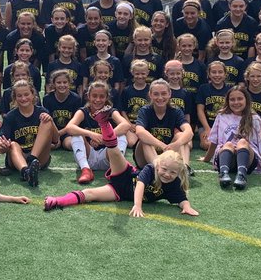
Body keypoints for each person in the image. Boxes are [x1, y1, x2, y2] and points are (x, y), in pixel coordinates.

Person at [44, 110, 198, 219]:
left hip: (120, 191)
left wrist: (187, 207)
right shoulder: (151, 169)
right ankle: (104, 123)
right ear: (158, 165)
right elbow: (140, 185)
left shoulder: (174, 182)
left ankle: (57, 201)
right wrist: (137, 205)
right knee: (115, 152)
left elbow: (181, 199)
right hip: (126, 175)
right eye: (164, 169)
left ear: (178, 173)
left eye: (173, 172)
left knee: (90, 194)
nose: (167, 174)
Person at [64, 80, 130, 184]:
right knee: (76, 136)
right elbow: (69, 127)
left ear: (107, 97)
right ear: (88, 96)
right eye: (94, 96)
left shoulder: (111, 111)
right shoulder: (83, 111)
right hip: (88, 156)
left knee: (122, 136)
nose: (98, 100)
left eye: (102, 96)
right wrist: (90, 134)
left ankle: (116, 170)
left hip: (108, 157)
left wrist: (105, 138)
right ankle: (86, 170)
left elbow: (126, 125)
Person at [203, 84, 261, 190]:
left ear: (246, 100)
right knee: (228, 144)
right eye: (232, 99)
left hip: (247, 160)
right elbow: (214, 141)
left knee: (242, 142)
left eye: (240, 99)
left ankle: (241, 175)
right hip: (226, 157)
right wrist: (206, 159)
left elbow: (260, 145)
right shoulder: (221, 116)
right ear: (227, 101)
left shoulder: (255, 118)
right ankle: (223, 174)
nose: (236, 102)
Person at [0, 78, 58, 186]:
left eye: (26, 94)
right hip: (18, 158)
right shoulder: (10, 117)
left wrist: (51, 121)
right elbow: (3, 144)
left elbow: (56, 140)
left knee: (46, 121)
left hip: (39, 158)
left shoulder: (42, 112)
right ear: (15, 98)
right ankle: (26, 172)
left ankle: (31, 160)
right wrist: (3, 145)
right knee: (13, 144)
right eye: (19, 96)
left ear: (33, 95)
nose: (23, 98)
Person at [133, 78, 193, 168]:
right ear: (150, 95)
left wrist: (176, 144)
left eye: (164, 93)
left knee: (181, 136)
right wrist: (162, 145)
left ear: (169, 94)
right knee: (145, 139)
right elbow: (139, 132)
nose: (160, 98)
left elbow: (189, 132)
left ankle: (184, 168)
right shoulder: (145, 110)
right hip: (146, 157)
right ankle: (157, 168)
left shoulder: (175, 111)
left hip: (168, 153)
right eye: (156, 94)